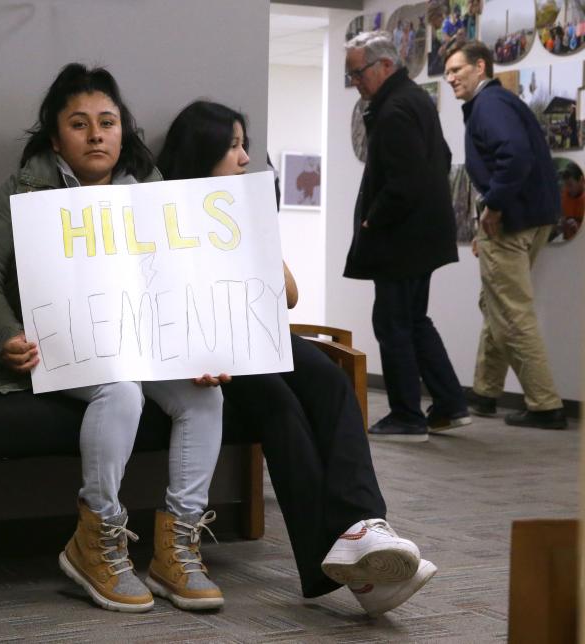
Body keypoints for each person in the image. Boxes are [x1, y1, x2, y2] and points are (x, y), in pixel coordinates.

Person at [0, 63, 226, 613]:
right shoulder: (24, 189)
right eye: (79, 124)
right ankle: (95, 540)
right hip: (56, 349)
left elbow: (185, 279)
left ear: (124, 131)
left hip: (141, 340)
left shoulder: (154, 193)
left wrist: (203, 347)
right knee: (120, 389)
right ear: (56, 137)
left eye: (107, 121)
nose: (96, 134)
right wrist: (6, 335)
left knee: (204, 394)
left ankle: (178, 549)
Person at [156, 100, 436, 617]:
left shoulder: (242, 208)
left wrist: (256, 227)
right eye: (234, 145)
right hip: (207, 344)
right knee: (280, 405)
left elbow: (288, 295)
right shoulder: (162, 209)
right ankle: (341, 567)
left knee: (328, 381)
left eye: (245, 144)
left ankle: (363, 526)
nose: (244, 156)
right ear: (204, 151)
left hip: (258, 332)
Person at [344, 31, 470, 441]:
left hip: (402, 238)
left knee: (393, 322)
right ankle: (450, 404)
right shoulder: (415, 99)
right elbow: (443, 159)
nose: (356, 83)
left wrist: (373, 220)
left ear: (385, 66)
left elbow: (406, 180)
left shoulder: (394, 109)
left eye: (358, 73)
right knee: (414, 320)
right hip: (425, 235)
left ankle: (406, 417)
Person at [444, 40, 568, 429]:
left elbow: (514, 155)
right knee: (496, 301)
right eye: (447, 72)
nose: (449, 78)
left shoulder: (489, 106)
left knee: (512, 311)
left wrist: (493, 207)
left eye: (456, 70)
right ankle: (485, 391)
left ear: (481, 67)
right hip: (533, 217)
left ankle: (546, 405)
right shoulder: (501, 102)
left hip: (512, 219)